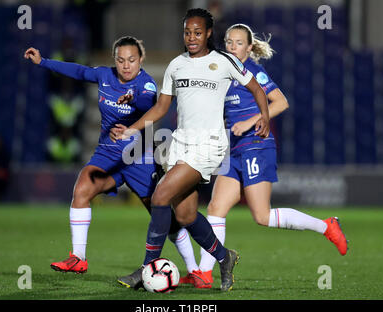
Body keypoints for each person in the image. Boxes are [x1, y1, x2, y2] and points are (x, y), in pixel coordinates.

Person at [111, 8, 270, 292]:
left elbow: (257, 89)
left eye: (198, 32)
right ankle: (225, 257)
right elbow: (161, 107)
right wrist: (132, 129)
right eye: (187, 32)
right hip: (181, 144)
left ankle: (147, 267)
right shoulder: (176, 65)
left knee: (160, 195)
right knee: (184, 215)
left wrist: (264, 118)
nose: (192, 38)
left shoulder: (224, 61)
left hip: (209, 144)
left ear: (209, 33)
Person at [179, 23, 349, 289]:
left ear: (248, 48)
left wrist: (250, 121)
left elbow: (280, 102)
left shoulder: (254, 72)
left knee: (262, 216)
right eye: (229, 42)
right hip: (232, 149)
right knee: (215, 208)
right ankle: (204, 272)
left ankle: (326, 226)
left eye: (238, 43)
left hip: (256, 145)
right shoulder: (223, 73)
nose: (232, 47)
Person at [24, 36, 195, 277]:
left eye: (132, 60)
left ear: (141, 60)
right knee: (81, 190)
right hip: (107, 153)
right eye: (121, 60)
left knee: (161, 214)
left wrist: (132, 98)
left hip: (139, 157)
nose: (126, 65)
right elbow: (80, 72)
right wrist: (43, 62)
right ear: (115, 60)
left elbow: (149, 102)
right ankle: (78, 258)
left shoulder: (145, 85)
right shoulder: (105, 76)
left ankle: (195, 269)